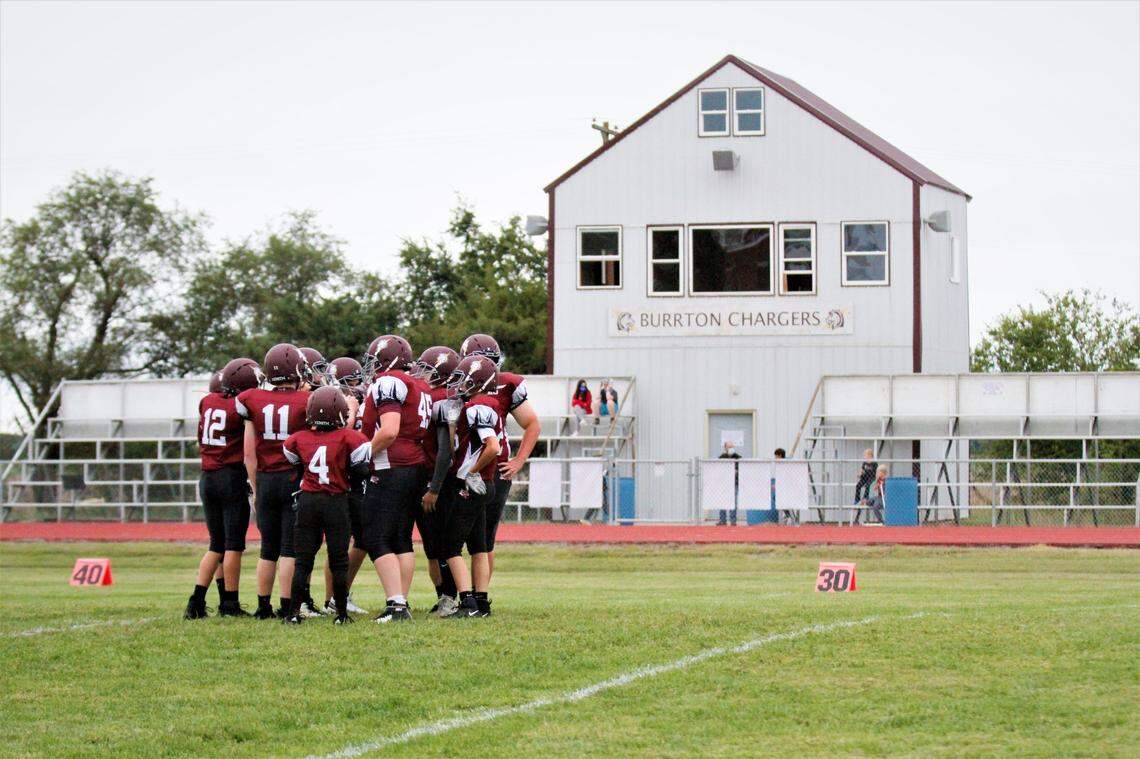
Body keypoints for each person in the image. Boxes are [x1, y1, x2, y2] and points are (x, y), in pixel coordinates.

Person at [461, 333, 542, 616]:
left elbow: (532, 424)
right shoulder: (461, 384)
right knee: (460, 537)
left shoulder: (507, 384)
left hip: (493, 467)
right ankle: (462, 596)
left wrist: (519, 460)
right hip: (464, 467)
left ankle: (478, 597)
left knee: (484, 540)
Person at [281, 386, 371, 625]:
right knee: (338, 559)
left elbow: (294, 461)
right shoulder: (350, 438)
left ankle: (292, 614)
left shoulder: (297, 439)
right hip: (336, 501)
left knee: (303, 560)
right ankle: (341, 614)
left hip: (308, 501)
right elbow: (361, 470)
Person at [235, 343, 312, 619]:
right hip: (293, 479)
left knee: (268, 548)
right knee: (290, 548)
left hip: (265, 479)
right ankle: (287, 606)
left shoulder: (251, 398)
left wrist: (255, 488)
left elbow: (248, 453)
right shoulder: (307, 401)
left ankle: (263, 606)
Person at [184, 357, 262, 619]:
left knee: (216, 544)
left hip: (207, 477)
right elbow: (249, 449)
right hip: (230, 476)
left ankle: (196, 602)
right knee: (233, 545)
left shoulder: (207, 401)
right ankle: (230, 603)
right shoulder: (240, 407)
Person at [359, 334, 430, 623]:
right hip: (413, 467)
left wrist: (363, 453)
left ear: (386, 360)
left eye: (375, 360)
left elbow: (389, 430)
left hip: (391, 466)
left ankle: (396, 605)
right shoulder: (418, 385)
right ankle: (401, 602)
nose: (372, 366)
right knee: (401, 538)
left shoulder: (389, 382)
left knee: (375, 537)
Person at [437, 355, 502, 618]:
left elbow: (493, 447)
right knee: (478, 546)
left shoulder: (479, 406)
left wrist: (472, 473)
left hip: (473, 484)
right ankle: (482, 602)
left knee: (449, 547)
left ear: (479, 381)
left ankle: (468, 603)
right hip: (484, 484)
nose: (460, 385)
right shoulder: (482, 405)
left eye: (464, 380)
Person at [411, 345, 460, 616]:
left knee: (440, 544)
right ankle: (443, 596)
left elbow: (445, 450)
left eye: (427, 369)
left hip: (438, 478)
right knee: (431, 547)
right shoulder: (429, 395)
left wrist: (435, 487)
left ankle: (449, 597)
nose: (421, 374)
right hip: (428, 475)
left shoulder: (442, 398)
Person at [716, 440, 742, 526]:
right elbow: (719, 470)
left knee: (733, 502)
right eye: (729, 447)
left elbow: (741, 469)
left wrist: (736, 471)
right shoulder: (722, 457)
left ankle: (733, 521)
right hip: (724, 483)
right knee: (722, 501)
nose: (731, 448)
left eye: (732, 447)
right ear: (725, 448)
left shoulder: (738, 457)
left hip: (734, 482)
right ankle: (722, 520)